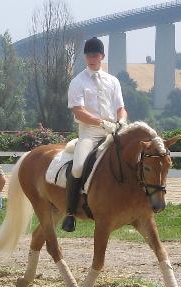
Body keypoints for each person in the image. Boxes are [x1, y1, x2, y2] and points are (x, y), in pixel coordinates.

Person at [62, 36, 128, 232]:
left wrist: (121, 121)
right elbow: (78, 111)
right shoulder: (78, 81)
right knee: (78, 167)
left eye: (95, 55)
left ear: (102, 56)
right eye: (89, 55)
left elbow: (121, 107)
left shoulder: (113, 81)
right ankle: (70, 213)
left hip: (113, 131)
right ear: (85, 57)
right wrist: (102, 123)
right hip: (89, 133)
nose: (92, 58)